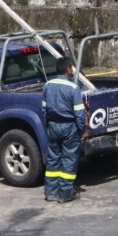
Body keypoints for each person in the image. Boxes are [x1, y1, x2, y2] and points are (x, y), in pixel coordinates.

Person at [41, 56, 85, 203]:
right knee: (69, 159)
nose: (72, 70)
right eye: (71, 67)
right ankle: (65, 193)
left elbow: (44, 109)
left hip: (53, 126)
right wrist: (82, 130)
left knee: (53, 159)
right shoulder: (73, 88)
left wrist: (48, 125)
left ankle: (51, 193)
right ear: (67, 69)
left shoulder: (48, 85)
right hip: (69, 127)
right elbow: (79, 113)